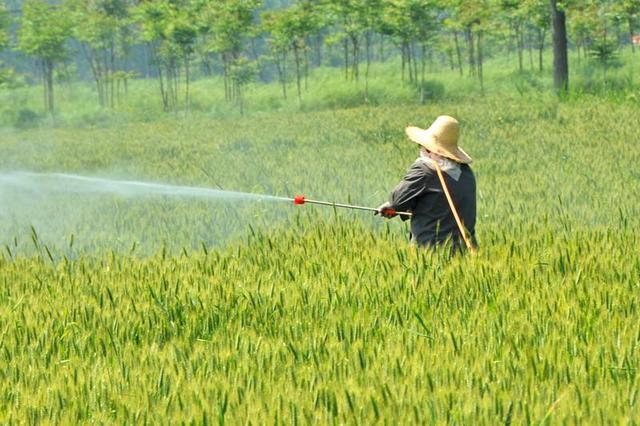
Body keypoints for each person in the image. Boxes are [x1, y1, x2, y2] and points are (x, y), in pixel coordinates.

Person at [377, 115, 477, 252]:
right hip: (464, 251)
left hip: (430, 252)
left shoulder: (424, 170)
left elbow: (397, 201)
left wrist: (392, 206)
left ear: (430, 150)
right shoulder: (466, 173)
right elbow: (438, 203)